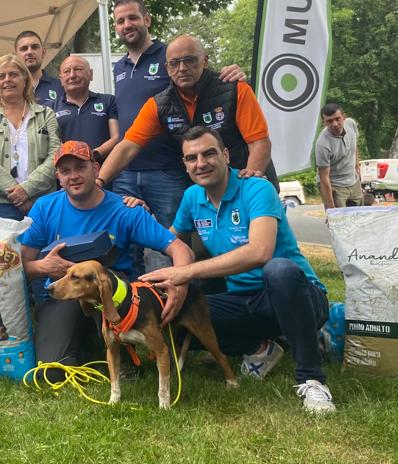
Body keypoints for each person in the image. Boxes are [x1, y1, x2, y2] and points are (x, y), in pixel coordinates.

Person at [141, 127, 335, 414]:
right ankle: (261, 346)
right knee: (176, 314)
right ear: (184, 164)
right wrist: (138, 216)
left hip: (296, 294)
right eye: (191, 158)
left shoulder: (256, 188)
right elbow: (168, 241)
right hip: (244, 300)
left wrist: (186, 273)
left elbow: (260, 252)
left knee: (278, 271)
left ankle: (312, 379)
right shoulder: (193, 197)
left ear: (226, 154)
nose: (201, 163)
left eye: (208, 153)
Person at [20, 140, 194, 366]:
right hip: (63, 298)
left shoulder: (125, 210)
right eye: (65, 171)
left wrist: (179, 286)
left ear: (95, 169)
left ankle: (121, 356)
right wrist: (42, 267)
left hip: (113, 298)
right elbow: (20, 262)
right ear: (58, 178)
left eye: (80, 167)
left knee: (104, 282)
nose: (73, 176)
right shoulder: (45, 207)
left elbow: (181, 250)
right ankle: (90, 344)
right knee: (52, 369)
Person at [109, 0, 245, 235]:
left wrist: (234, 73)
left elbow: (207, 79)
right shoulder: (119, 66)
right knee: (125, 237)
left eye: (132, 18)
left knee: (175, 236)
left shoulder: (171, 54)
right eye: (120, 21)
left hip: (167, 167)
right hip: (128, 169)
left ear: (147, 20)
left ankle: (186, 272)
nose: (127, 25)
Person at [100, 35, 274, 192]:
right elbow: (127, 147)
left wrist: (250, 185)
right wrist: (99, 182)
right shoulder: (159, 104)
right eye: (174, 63)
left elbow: (259, 142)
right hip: (207, 193)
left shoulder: (235, 90)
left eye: (189, 60)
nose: (182, 68)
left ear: (204, 60)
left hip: (248, 183)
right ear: (167, 69)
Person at [0, 54, 60, 219]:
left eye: (13, 74)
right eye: (1, 76)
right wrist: (17, 193)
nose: (7, 79)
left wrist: (27, 189)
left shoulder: (46, 114)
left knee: (45, 245)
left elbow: (56, 155)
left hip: (42, 201)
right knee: (5, 246)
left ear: (25, 80)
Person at [54, 55, 119, 160]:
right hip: (67, 172)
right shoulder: (50, 108)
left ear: (91, 74)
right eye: (66, 71)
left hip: (104, 171)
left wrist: (93, 155)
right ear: (61, 79)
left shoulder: (108, 101)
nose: (72, 75)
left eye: (78, 69)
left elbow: (116, 137)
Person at [315, 103, 363, 209]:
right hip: (334, 184)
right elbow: (324, 178)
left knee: (359, 218)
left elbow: (354, 147)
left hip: (353, 180)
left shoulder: (351, 124)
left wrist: (357, 169)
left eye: (337, 119)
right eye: (329, 121)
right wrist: (331, 207)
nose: (335, 124)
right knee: (339, 222)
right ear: (324, 123)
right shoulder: (322, 144)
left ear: (344, 117)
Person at [13, 30, 63, 111]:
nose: (29, 52)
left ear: (43, 52)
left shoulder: (61, 87)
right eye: (24, 49)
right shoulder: (10, 88)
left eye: (34, 47)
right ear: (15, 56)